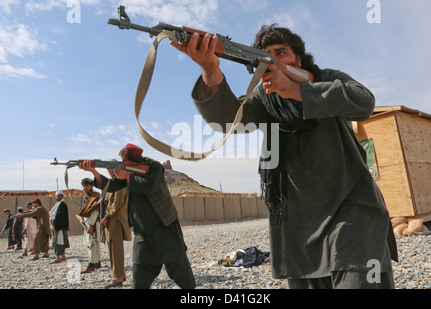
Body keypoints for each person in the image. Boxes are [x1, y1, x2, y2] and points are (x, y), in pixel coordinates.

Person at [170, 24, 398, 289]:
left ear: (299, 59)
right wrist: (210, 68)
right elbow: (228, 121)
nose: (274, 60)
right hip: (299, 219)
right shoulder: (263, 97)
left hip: (353, 206)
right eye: (266, 54)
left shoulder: (324, 78)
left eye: (282, 52)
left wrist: (295, 90)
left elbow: (363, 102)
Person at [79, 143, 196, 289]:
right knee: (140, 272)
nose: (123, 164)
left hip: (165, 226)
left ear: (135, 160)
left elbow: (149, 186)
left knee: (179, 269)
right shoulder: (127, 171)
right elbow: (110, 185)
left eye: (125, 162)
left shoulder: (154, 166)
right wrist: (93, 171)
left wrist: (128, 176)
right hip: (142, 230)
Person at [101, 166, 132, 289]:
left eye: (112, 168)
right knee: (113, 247)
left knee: (116, 249)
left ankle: (118, 278)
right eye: (107, 168)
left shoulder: (119, 182)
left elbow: (117, 203)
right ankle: (120, 275)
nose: (109, 170)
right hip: (113, 219)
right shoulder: (115, 182)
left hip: (116, 220)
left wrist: (107, 217)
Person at [78, 178, 101, 273]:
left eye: (86, 185)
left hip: (93, 223)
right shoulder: (88, 196)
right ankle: (96, 262)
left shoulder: (95, 196)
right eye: (83, 185)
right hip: (88, 222)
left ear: (91, 185)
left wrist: (91, 225)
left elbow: (95, 211)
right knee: (94, 243)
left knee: (91, 243)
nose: (84, 187)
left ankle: (91, 265)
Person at [49, 191, 70, 263]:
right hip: (59, 226)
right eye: (57, 196)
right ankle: (63, 256)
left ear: (62, 196)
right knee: (61, 241)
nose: (58, 197)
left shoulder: (62, 205)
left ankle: (58, 258)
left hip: (59, 227)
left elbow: (59, 217)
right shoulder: (58, 204)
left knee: (58, 241)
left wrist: (55, 226)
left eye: (59, 196)